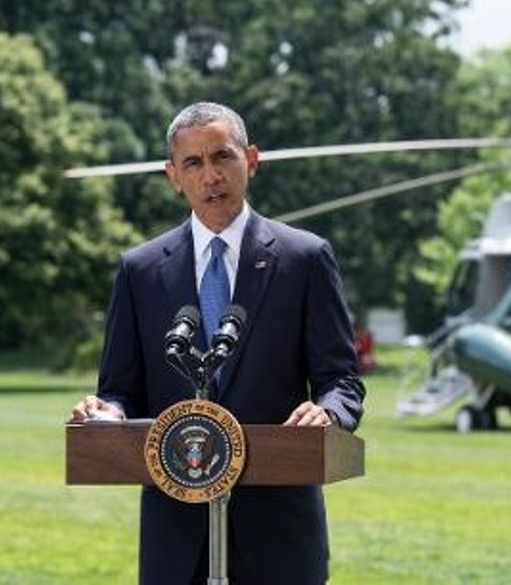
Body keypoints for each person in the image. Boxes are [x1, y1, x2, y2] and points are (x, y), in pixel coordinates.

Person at [69, 101, 365, 584]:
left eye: (222, 157)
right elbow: (121, 388)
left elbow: (341, 380)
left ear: (250, 160)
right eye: (193, 163)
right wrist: (107, 414)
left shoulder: (305, 259)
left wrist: (327, 414)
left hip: (279, 533)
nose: (211, 176)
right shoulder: (139, 271)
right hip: (176, 539)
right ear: (173, 176)